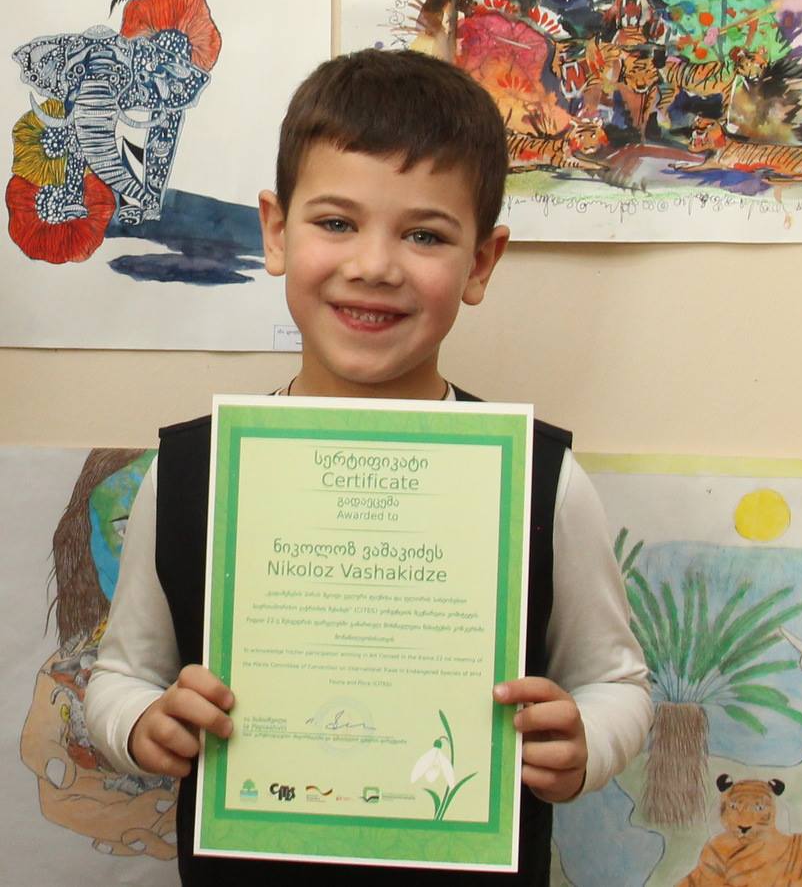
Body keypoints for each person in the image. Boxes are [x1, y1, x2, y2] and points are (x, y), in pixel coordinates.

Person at [86, 49, 652, 884]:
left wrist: (586, 741)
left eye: (425, 235)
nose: (375, 266)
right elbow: (123, 675)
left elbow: (616, 682)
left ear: (481, 263)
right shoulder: (193, 474)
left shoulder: (539, 481)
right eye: (336, 223)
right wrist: (142, 725)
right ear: (275, 232)